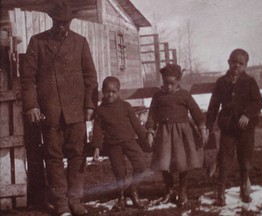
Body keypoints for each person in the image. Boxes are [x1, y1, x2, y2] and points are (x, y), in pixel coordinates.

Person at [21, 1, 98, 215]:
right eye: (58, 22)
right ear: (52, 21)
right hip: (50, 110)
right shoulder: (37, 42)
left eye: (65, 23)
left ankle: (75, 199)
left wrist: (90, 105)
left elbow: (90, 76)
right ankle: (61, 203)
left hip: (75, 110)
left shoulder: (80, 42)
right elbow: (28, 78)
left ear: (70, 22)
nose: (61, 27)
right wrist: (32, 105)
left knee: (77, 154)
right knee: (53, 157)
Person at [206, 49, 262, 206]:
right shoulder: (221, 82)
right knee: (224, 159)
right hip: (228, 127)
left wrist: (247, 114)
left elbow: (258, 102)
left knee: (245, 158)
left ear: (245, 66)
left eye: (241, 63)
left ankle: (244, 187)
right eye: (234, 62)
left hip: (246, 128)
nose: (236, 66)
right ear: (228, 62)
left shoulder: (249, 81)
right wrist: (208, 125)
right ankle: (221, 191)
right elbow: (213, 105)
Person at [146, 64, 208, 207]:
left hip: (182, 134)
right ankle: (169, 190)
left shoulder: (184, 95)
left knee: (182, 162)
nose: (168, 87)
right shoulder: (158, 96)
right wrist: (150, 131)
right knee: (164, 163)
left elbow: (196, 113)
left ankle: (183, 190)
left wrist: (202, 128)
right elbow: (152, 115)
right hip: (164, 134)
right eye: (165, 83)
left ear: (179, 81)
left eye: (172, 83)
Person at [92, 76, 148, 211]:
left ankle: (133, 190)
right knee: (119, 171)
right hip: (113, 145)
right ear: (102, 92)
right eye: (107, 92)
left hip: (129, 141)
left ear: (119, 91)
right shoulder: (100, 110)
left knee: (141, 163)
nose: (110, 95)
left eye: (113, 91)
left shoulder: (125, 106)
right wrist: (97, 148)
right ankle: (121, 197)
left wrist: (145, 138)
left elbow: (136, 125)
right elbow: (97, 131)